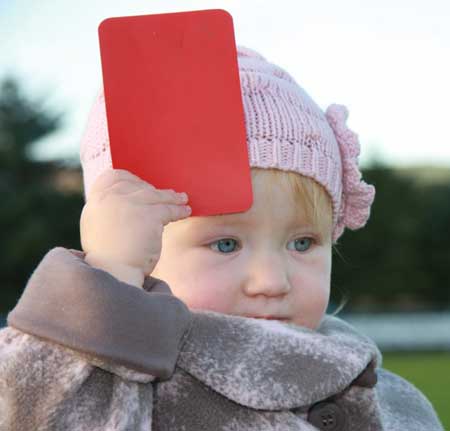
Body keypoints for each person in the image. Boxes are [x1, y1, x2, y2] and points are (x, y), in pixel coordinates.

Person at [0, 45, 443, 431]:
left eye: (303, 243)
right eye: (226, 244)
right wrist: (106, 288)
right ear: (140, 250)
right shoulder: (123, 384)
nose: (272, 281)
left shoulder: (390, 395)